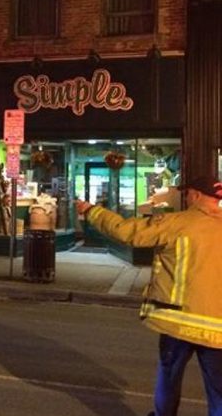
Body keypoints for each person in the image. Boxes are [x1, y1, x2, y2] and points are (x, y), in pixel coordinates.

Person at [76, 175, 222, 416]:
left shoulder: (178, 222)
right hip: (218, 328)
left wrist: (92, 211)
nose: (184, 197)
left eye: (187, 193)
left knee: (169, 376)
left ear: (196, 195)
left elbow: (128, 232)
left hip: (178, 320)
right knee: (218, 391)